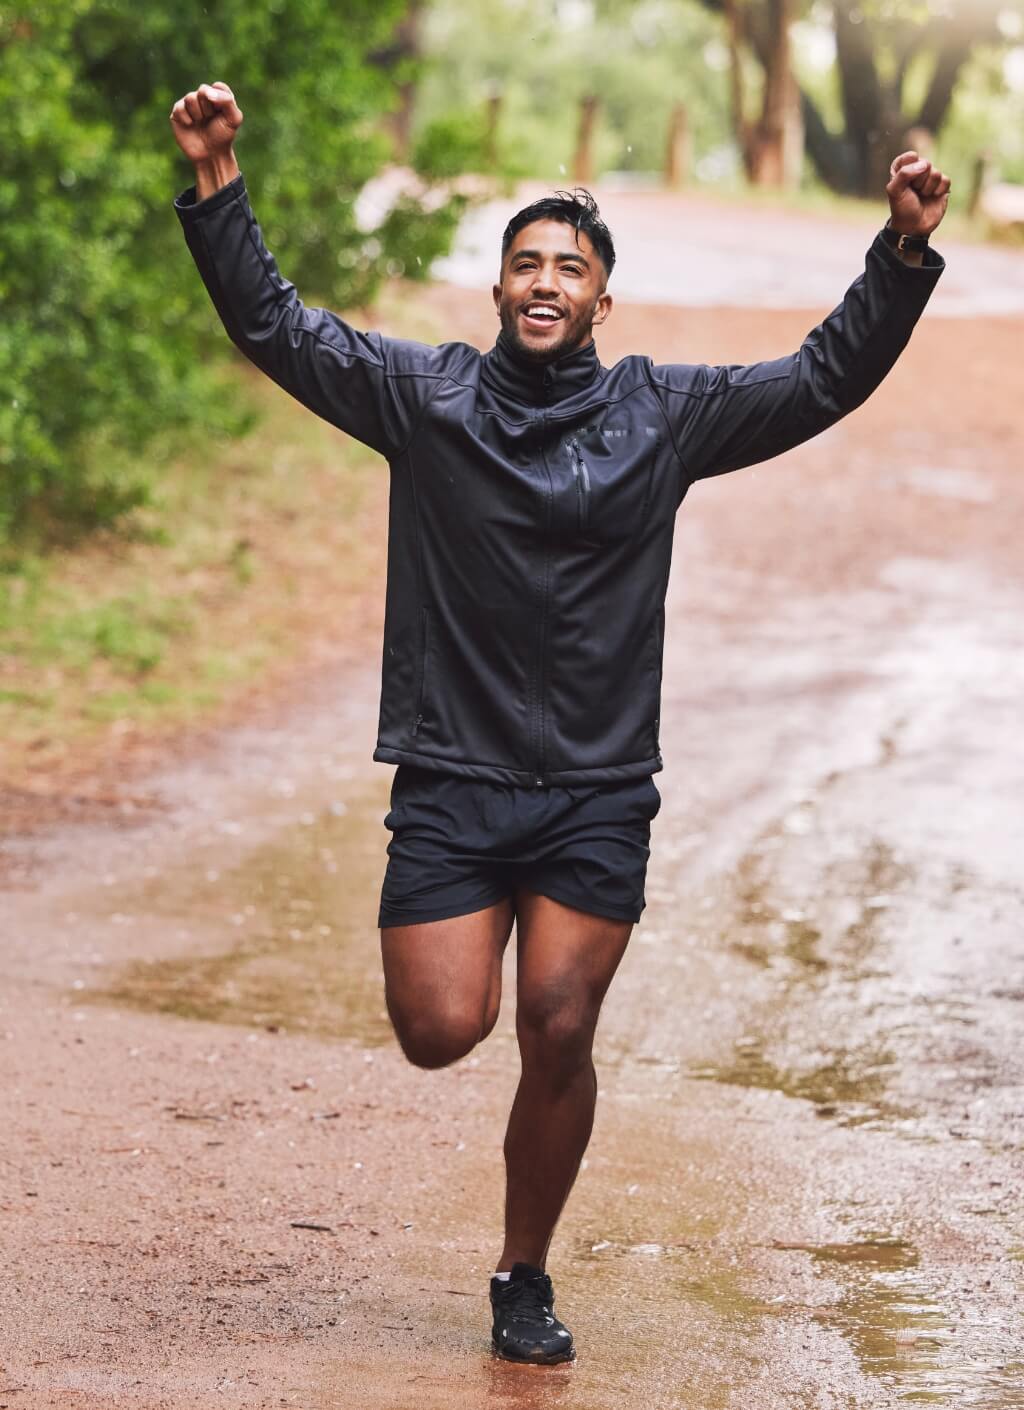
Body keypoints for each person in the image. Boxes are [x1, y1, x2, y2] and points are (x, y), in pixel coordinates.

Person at [170, 80, 949, 1365]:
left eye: (569, 265)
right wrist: (215, 181)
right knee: (439, 1031)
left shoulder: (662, 414)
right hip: (452, 778)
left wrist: (901, 252)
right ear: (495, 294)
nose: (545, 281)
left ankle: (521, 1273)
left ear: (599, 297)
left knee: (561, 1024)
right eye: (524, 262)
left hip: (594, 786)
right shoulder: (421, 400)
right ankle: (503, 1164)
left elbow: (818, 379)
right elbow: (279, 327)